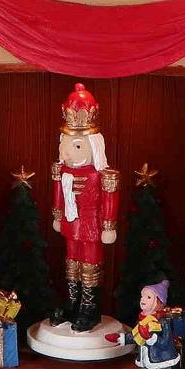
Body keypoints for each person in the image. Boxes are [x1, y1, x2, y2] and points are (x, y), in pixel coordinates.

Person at [51, 83, 119, 332]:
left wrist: (109, 226)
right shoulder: (63, 171)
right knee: (72, 261)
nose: (69, 152)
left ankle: (89, 307)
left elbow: (110, 200)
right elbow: (59, 193)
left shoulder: (102, 175)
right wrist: (58, 214)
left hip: (91, 225)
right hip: (72, 223)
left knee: (90, 264)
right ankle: (72, 302)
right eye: (66, 144)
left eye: (77, 145)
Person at [108, 280, 184, 369]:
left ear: (158, 302)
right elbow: (136, 335)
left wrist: (150, 338)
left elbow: (164, 342)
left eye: (148, 297)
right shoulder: (142, 320)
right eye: (142, 296)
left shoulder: (162, 322)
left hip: (161, 359)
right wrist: (122, 338)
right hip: (145, 358)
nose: (143, 300)